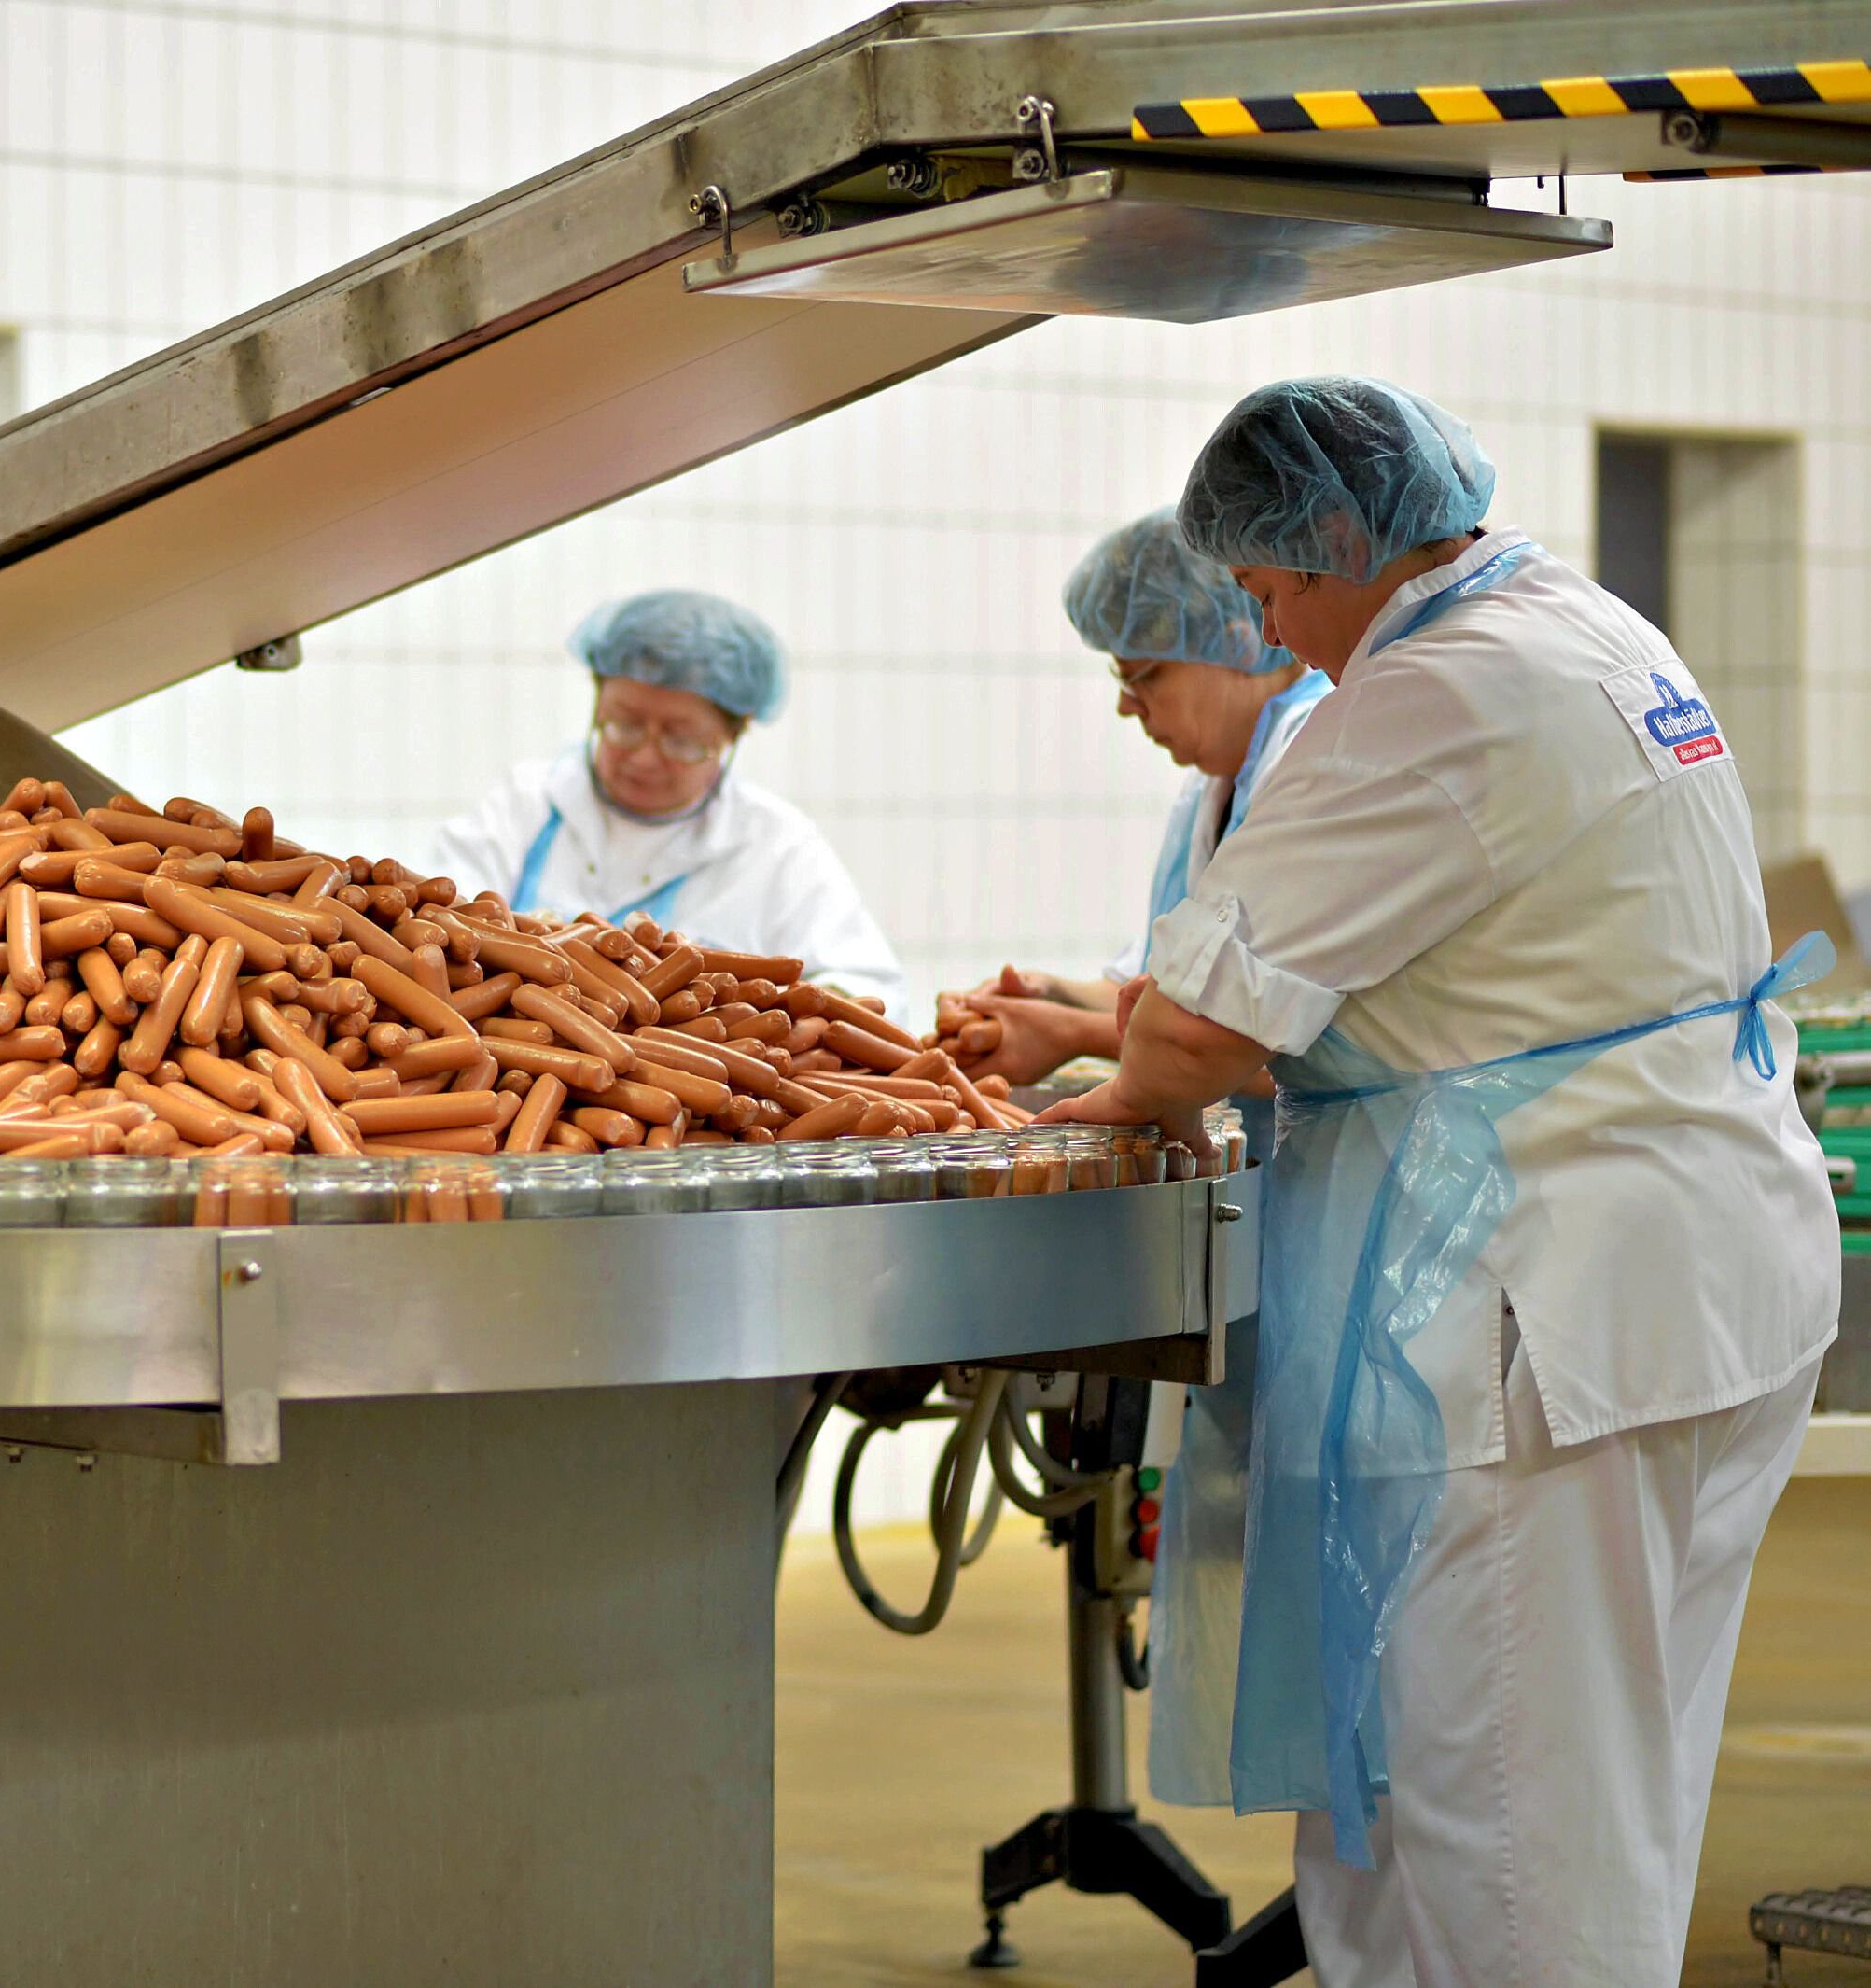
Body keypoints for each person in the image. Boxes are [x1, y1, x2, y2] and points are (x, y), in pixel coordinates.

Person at [1040, 381, 1837, 1987]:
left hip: (1547, 1306)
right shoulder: (1587, 627)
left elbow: (1197, 1026)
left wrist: (1084, 1106)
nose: (1277, 638)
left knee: (1505, 1821)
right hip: (1697, 1274)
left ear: (1335, 541)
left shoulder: (1435, 693)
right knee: (1558, 1778)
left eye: (1267, 595)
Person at [950, 510, 1326, 1145]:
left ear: (1240, 640)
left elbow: (1281, 1038)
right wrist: (1051, 995)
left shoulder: (1315, 762)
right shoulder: (1211, 784)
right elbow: (1165, 987)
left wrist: (1067, 1034)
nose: (1126, 705)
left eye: (1141, 674)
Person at [429, 588, 907, 1013]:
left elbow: (867, 990)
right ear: (597, 705)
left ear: (732, 736)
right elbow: (434, 928)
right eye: (624, 724)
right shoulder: (526, 803)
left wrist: (778, 1017)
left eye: (681, 739)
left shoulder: (776, 843)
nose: (644, 757)